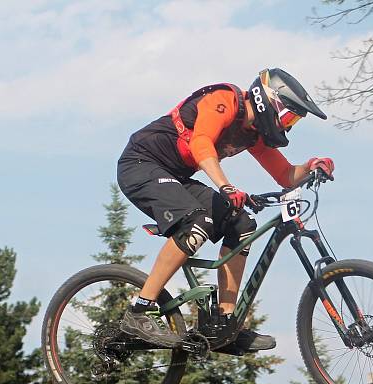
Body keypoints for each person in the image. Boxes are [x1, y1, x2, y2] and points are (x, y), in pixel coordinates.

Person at [117, 67, 334, 353]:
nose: (287, 124)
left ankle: (223, 325)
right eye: (289, 115)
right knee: (198, 222)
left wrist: (311, 166)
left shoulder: (252, 134)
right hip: (140, 164)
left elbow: (285, 175)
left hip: (176, 176)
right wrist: (226, 186)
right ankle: (138, 311)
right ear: (269, 101)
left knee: (241, 224)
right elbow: (201, 142)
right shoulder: (224, 100)